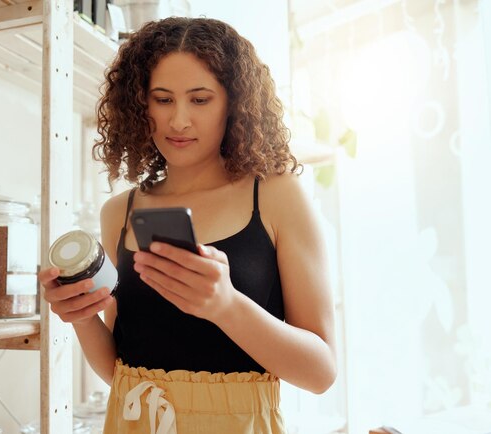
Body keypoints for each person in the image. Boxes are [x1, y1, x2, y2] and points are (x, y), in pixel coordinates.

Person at [40, 16, 336, 434]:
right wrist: (81, 315)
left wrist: (227, 306)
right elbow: (119, 372)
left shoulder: (275, 195)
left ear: (233, 103)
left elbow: (321, 372)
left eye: (200, 100)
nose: (179, 121)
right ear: (140, 105)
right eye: (162, 99)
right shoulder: (118, 213)